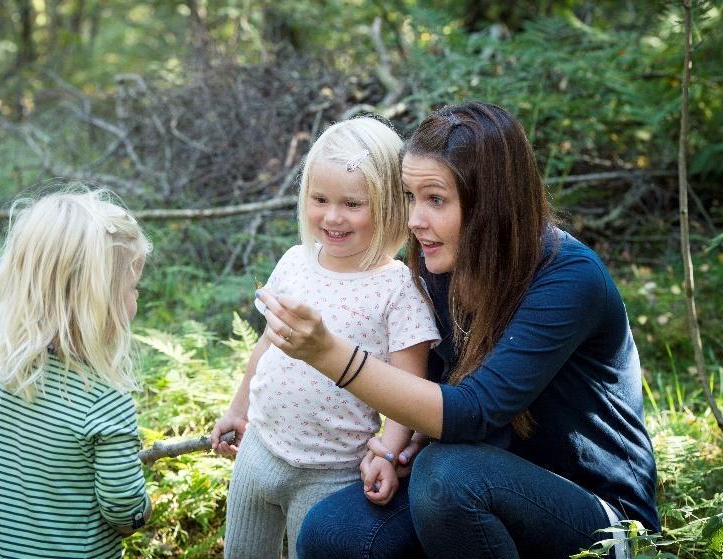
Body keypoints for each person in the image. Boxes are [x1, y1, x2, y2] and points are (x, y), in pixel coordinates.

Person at [256, 101, 660, 559]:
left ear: (491, 202)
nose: (414, 220)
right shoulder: (440, 259)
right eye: (410, 197)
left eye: (435, 200)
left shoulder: (569, 279)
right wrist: (400, 444)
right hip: (479, 482)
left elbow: (473, 411)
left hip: (597, 518)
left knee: (447, 478)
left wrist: (328, 353)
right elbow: (429, 384)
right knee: (331, 532)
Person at [210, 117, 441, 559]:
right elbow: (266, 344)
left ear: (388, 204)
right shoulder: (296, 261)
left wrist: (389, 455)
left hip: (331, 470)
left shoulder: (398, 287)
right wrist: (236, 409)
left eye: (353, 204)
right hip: (260, 449)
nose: (332, 216)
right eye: (320, 199)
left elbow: (410, 389)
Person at [0, 188, 153, 559]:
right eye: (133, 288)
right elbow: (121, 508)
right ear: (96, 302)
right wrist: (141, 514)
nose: (137, 299)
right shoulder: (105, 400)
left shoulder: (12, 370)